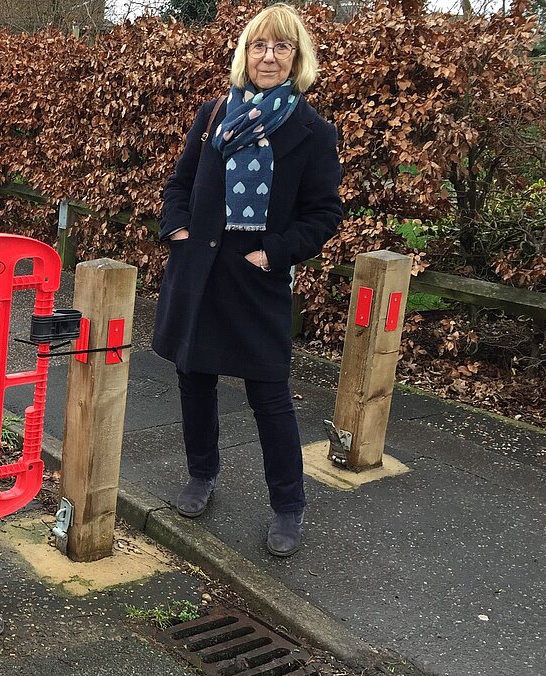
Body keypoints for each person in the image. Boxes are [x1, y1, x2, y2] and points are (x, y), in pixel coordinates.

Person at [152, 3, 343, 557]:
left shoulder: (312, 131)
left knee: (269, 395)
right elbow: (179, 183)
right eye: (259, 46)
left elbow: (324, 214)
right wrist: (178, 230)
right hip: (201, 268)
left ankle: (288, 505)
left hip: (256, 270)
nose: (269, 56)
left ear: (296, 57)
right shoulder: (214, 113)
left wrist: (274, 253)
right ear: (245, 53)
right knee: (195, 379)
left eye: (281, 47)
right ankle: (201, 473)